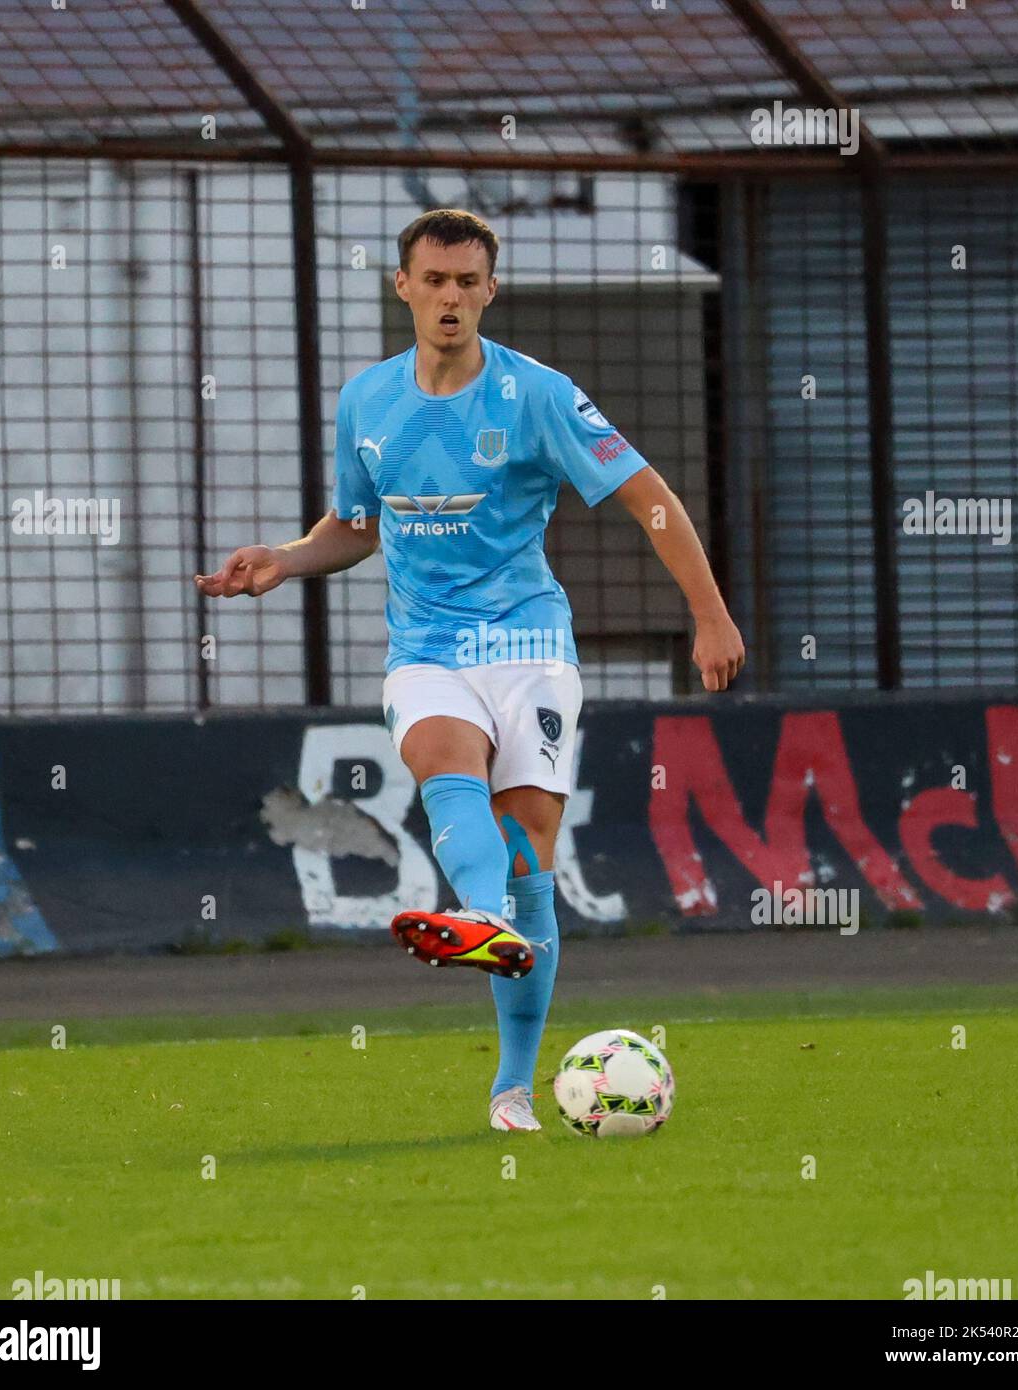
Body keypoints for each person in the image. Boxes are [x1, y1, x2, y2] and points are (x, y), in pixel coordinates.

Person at [196, 208, 745, 1132]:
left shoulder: (537, 395)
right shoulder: (368, 401)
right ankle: (477, 919)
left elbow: (648, 498)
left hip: (528, 644)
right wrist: (287, 559)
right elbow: (358, 527)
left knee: (530, 858)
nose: (449, 297)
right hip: (428, 649)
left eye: (466, 282)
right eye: (433, 280)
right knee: (446, 769)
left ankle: (513, 1086)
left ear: (489, 291)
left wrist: (709, 614)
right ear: (402, 286)